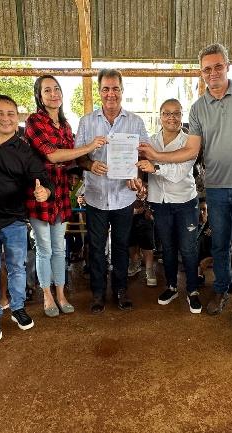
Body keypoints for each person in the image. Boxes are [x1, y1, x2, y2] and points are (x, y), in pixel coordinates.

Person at [139, 43, 232, 329]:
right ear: (201, 73)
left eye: (218, 67)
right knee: (220, 244)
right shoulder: (199, 107)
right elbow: (191, 150)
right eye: (206, 69)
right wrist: (157, 156)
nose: (213, 73)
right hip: (215, 188)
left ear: (227, 66)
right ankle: (221, 290)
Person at [0, 95, 52, 342]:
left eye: (10, 114)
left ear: (17, 117)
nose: (5, 118)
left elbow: (43, 180)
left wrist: (44, 192)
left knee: (17, 268)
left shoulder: (25, 151)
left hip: (13, 221)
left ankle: (17, 308)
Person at [24, 75, 101, 317]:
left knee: (59, 247)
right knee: (44, 248)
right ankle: (47, 295)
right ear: (39, 96)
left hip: (61, 192)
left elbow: (72, 160)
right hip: (40, 192)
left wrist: (93, 163)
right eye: (47, 90)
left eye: (56, 89)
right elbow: (52, 155)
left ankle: (60, 293)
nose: (53, 94)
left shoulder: (66, 125)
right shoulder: (34, 121)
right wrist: (89, 147)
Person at [75, 69, 149, 314]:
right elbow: (79, 157)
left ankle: (120, 290)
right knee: (96, 247)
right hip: (96, 195)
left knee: (121, 245)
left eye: (115, 88)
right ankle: (98, 293)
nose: (111, 94)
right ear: (99, 91)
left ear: (122, 90)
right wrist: (90, 165)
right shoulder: (87, 122)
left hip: (123, 197)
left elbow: (144, 155)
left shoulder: (135, 122)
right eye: (106, 89)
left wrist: (137, 177)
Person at [137, 98, 201, 313]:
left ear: (182, 116)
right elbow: (138, 164)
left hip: (185, 202)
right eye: (166, 113)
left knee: (188, 249)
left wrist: (155, 167)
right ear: (160, 116)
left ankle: (192, 290)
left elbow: (178, 173)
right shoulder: (150, 141)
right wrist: (139, 180)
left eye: (176, 113)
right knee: (167, 247)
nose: (171, 117)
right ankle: (172, 287)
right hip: (160, 202)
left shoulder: (190, 142)